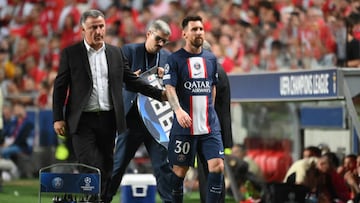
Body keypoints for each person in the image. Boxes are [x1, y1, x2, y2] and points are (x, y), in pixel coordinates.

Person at [52, 9, 167, 202]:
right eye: (93, 27)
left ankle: (91, 200)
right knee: (90, 164)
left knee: (107, 167)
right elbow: (60, 87)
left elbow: (132, 81)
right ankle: (90, 198)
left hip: (108, 120)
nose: (98, 31)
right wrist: (58, 117)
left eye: (101, 26)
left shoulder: (115, 53)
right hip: (82, 121)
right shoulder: (71, 54)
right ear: (83, 29)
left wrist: (160, 94)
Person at [104, 19, 172, 203]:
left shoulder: (167, 57)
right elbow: (114, 79)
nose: (161, 44)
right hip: (131, 120)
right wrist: (131, 79)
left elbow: (173, 85)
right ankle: (103, 199)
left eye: (164, 41)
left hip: (156, 120)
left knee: (163, 167)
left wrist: (164, 77)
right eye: (158, 38)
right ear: (149, 33)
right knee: (118, 165)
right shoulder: (128, 51)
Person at [163, 15, 225, 203]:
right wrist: (179, 111)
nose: (199, 32)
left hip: (209, 126)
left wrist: (209, 110)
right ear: (184, 34)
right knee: (179, 172)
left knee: (217, 167)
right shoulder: (175, 60)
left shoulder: (211, 59)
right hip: (184, 128)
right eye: (194, 29)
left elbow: (212, 86)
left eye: (201, 29)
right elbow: (169, 88)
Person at [197, 40, 233, 203]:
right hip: (213, 129)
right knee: (210, 174)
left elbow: (206, 101)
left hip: (211, 130)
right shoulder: (217, 69)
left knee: (211, 175)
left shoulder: (214, 71)